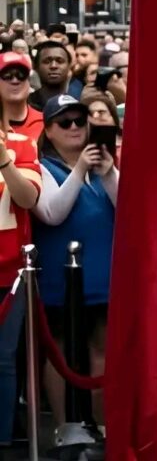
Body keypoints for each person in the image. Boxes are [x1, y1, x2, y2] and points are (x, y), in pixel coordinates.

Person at [32, 94, 117, 439]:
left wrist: (108, 172)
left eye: (80, 120)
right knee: (61, 352)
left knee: (102, 351)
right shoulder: (40, 167)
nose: (74, 127)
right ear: (49, 130)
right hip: (60, 280)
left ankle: (103, 427)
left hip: (103, 278)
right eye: (64, 122)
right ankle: (63, 428)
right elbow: (52, 212)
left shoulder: (103, 166)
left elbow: (129, 209)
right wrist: (80, 169)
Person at [0, 97, 41, 447]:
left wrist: (4, 160)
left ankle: (3, 437)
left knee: (4, 359)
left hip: (9, 273)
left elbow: (28, 198)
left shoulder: (22, 144)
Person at [0, 52, 44, 143]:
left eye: (21, 75)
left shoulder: (46, 123)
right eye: (7, 75)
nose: (15, 81)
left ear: (29, 81)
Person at [28, 42, 74, 114]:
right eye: (47, 61)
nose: (53, 66)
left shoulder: (75, 106)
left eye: (60, 61)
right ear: (35, 66)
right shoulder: (25, 105)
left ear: (69, 66)